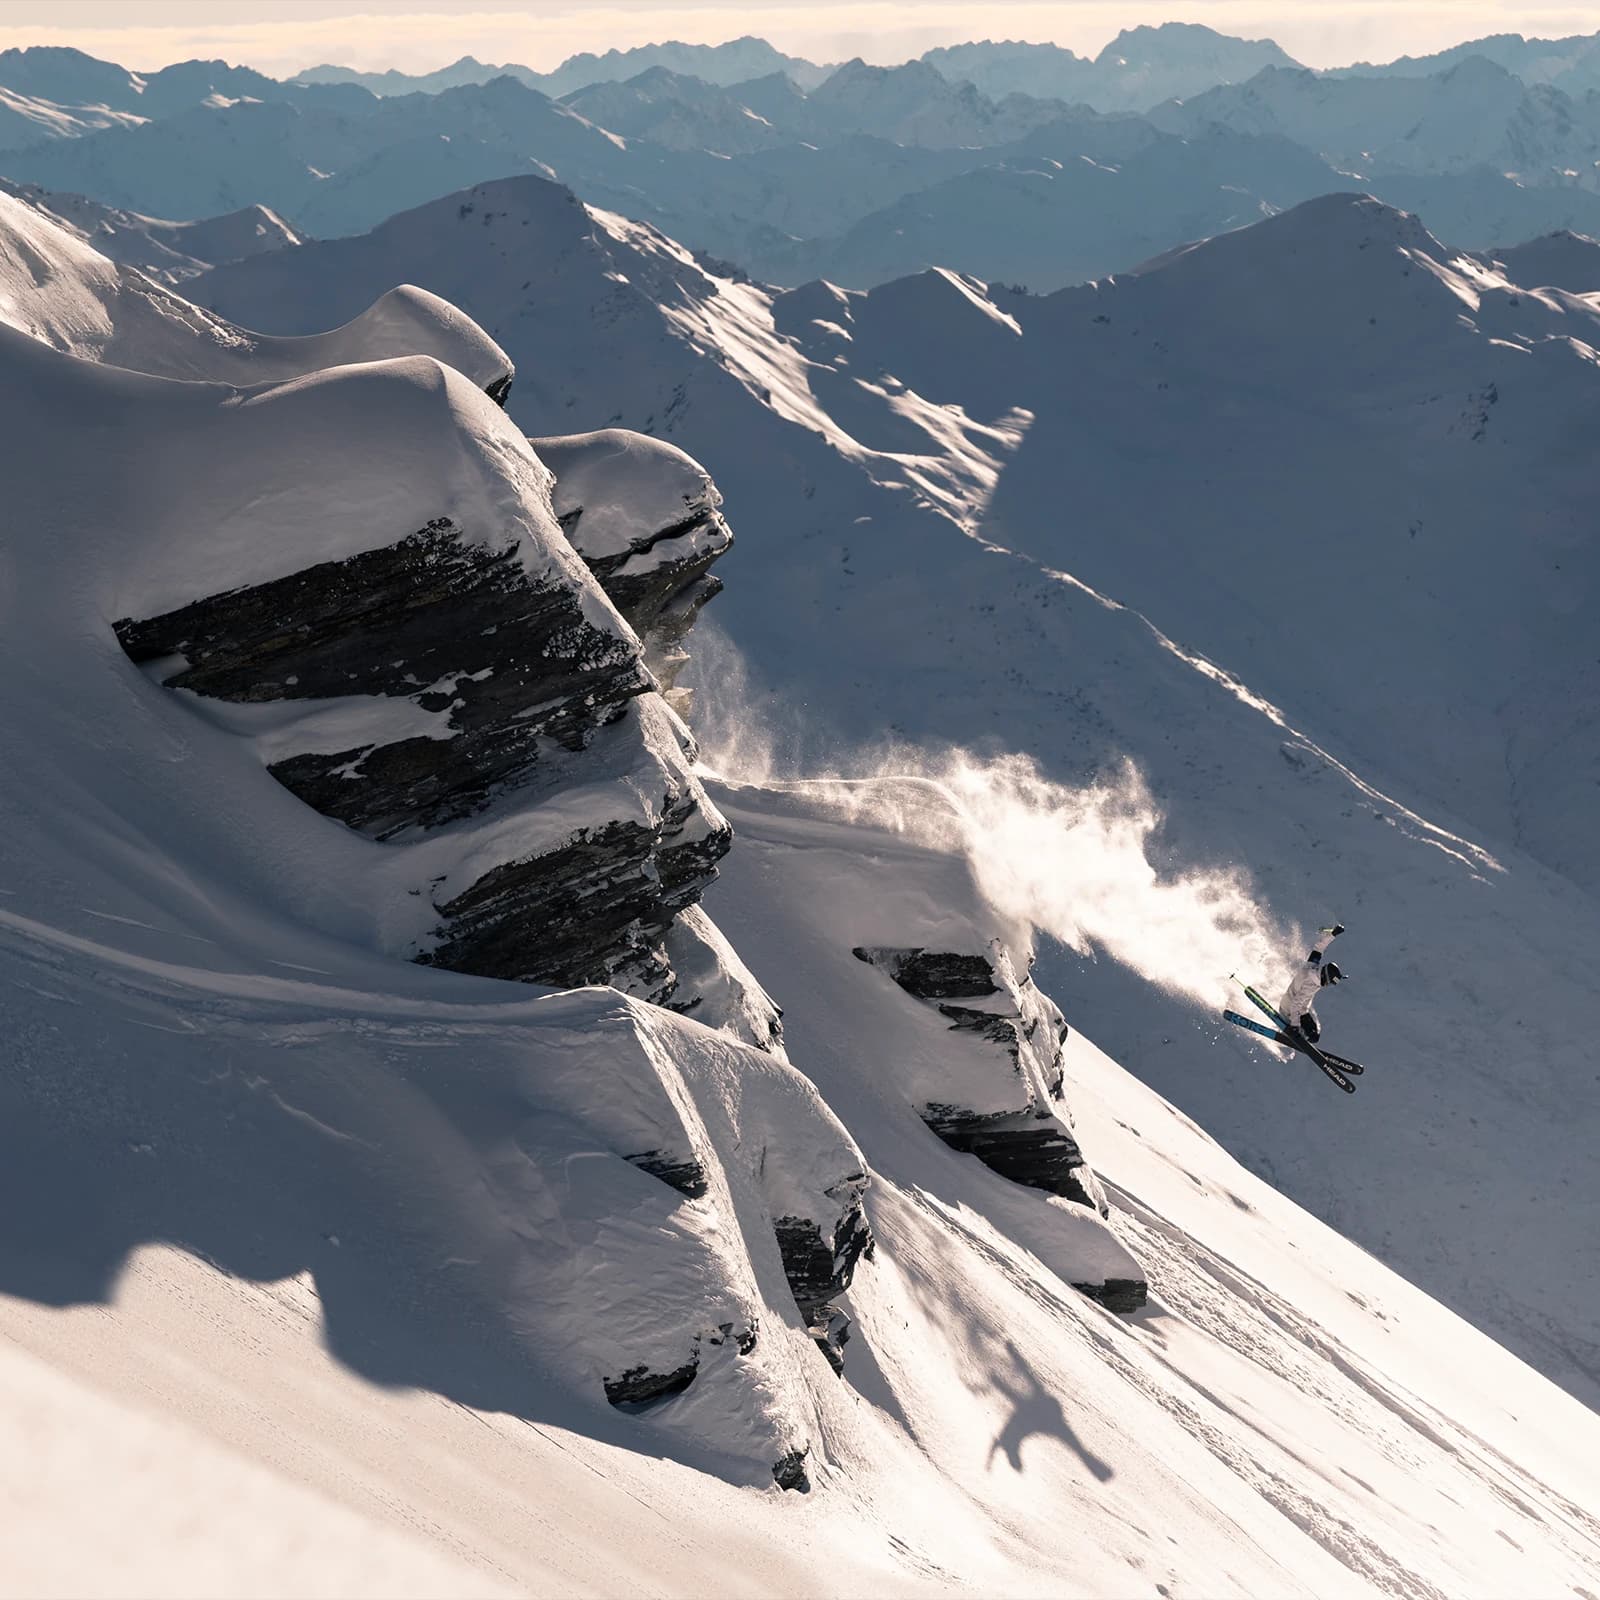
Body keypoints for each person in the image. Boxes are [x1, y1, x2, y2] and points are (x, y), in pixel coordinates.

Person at [1277, 923, 1346, 1045]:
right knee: (1313, 1037)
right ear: (1326, 977)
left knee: (1315, 1034)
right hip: (1289, 1011)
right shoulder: (1311, 985)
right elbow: (1295, 1005)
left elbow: (1319, 948)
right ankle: (1296, 1035)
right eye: (1330, 982)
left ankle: (1301, 1035)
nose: (1328, 985)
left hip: (1296, 1008)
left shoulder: (1312, 966)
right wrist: (1295, 1026)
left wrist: (1333, 935)